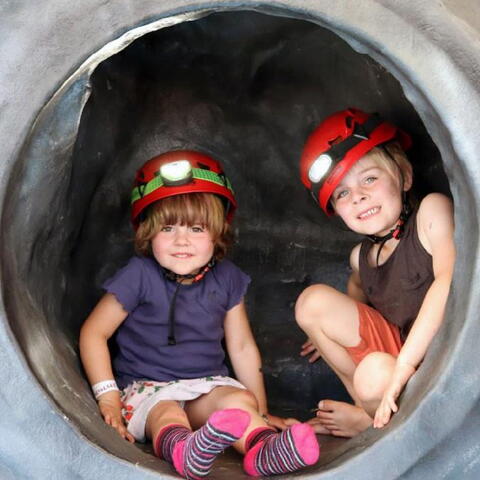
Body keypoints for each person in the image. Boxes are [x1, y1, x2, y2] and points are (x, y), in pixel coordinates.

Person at [80, 150, 320, 479]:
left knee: (236, 402)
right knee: (166, 412)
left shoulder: (228, 278)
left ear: (218, 231)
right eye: (168, 229)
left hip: (205, 387)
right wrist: (108, 399)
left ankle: (262, 449)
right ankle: (185, 449)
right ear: (148, 232)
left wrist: (261, 412)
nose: (182, 240)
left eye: (196, 228)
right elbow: (95, 333)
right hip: (148, 388)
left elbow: (242, 348)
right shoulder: (138, 274)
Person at [295, 108, 455, 437]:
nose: (359, 197)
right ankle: (369, 413)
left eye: (370, 178)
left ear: (404, 177)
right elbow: (359, 294)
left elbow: (447, 282)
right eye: (343, 193)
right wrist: (327, 334)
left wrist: (406, 366)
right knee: (311, 303)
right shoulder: (362, 257)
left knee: (374, 374)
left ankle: (369, 424)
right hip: (395, 361)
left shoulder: (430, 213)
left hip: (441, 363)